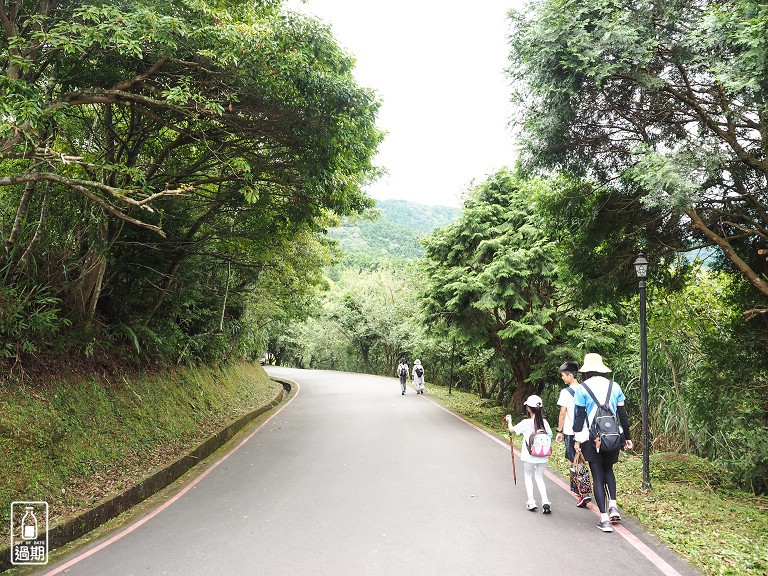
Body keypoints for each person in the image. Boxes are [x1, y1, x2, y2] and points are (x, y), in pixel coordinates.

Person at [572, 353, 633, 533]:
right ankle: (613, 505)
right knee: (609, 470)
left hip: (593, 438)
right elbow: (622, 415)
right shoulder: (614, 386)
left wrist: (577, 439)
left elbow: (579, 417)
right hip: (613, 436)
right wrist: (627, 438)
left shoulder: (582, 389)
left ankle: (604, 518)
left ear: (587, 371)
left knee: (597, 474)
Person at [506, 395, 553, 514]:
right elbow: (550, 436)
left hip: (529, 456)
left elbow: (512, 430)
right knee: (539, 477)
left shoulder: (525, 423)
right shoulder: (545, 423)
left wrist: (509, 420)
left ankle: (531, 501)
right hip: (543, 455)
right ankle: (545, 501)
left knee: (528, 476)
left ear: (528, 408)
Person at [556, 361, 591, 507]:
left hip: (572, 432)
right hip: (588, 432)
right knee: (585, 460)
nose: (563, 378)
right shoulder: (586, 389)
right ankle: (585, 491)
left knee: (574, 461)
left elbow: (563, 414)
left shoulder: (566, 392)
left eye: (564, 376)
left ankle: (582, 493)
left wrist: (559, 431)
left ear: (571, 376)